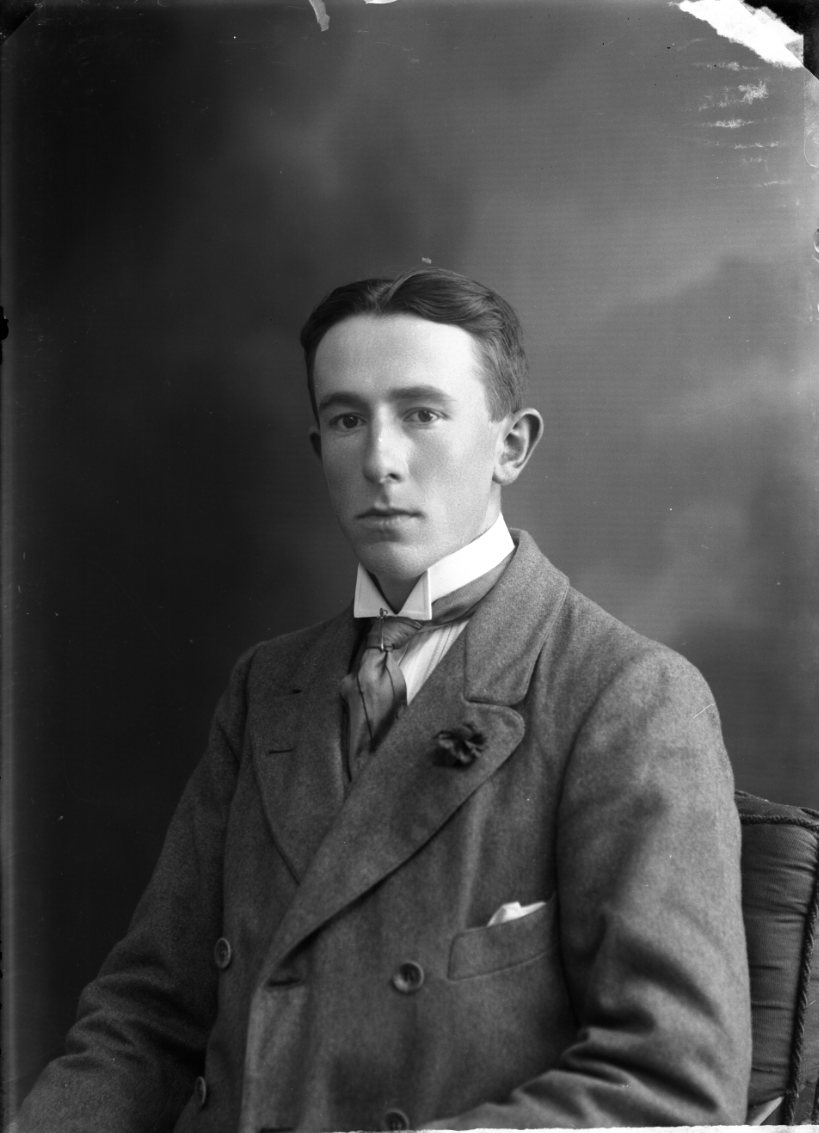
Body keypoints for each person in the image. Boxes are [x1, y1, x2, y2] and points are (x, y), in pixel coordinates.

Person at [12, 268, 752, 1131]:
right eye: (346, 419)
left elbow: (672, 1083)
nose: (378, 461)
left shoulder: (625, 694)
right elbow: (147, 1018)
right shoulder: (268, 686)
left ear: (512, 446)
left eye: (421, 414)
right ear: (317, 446)